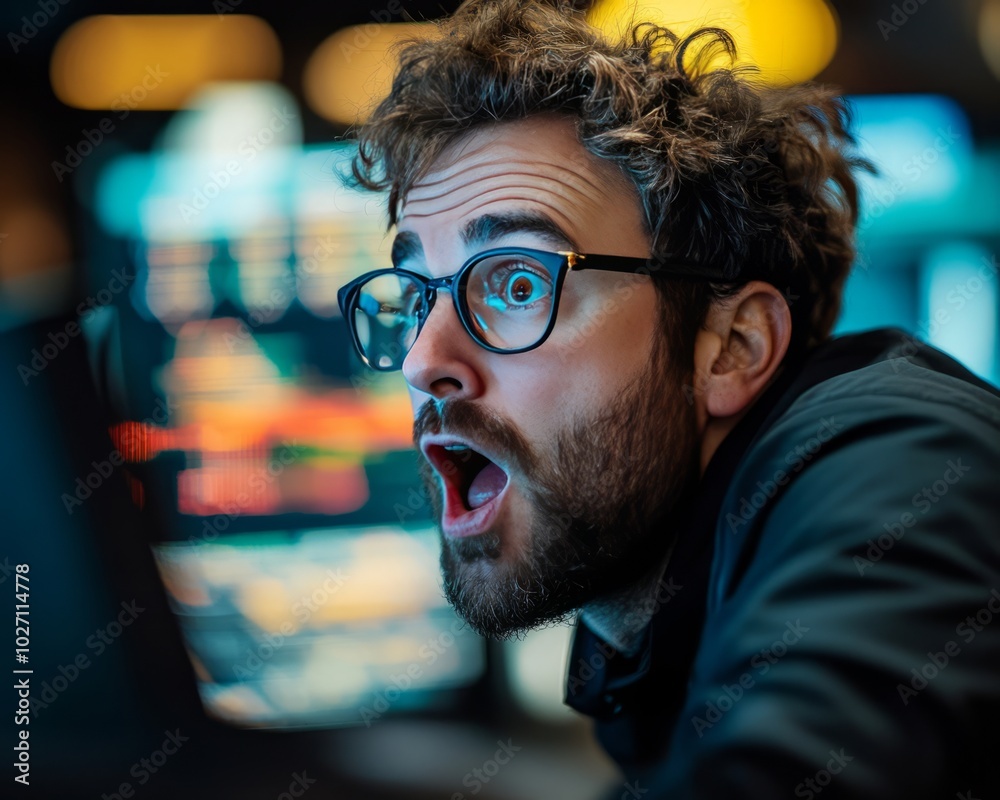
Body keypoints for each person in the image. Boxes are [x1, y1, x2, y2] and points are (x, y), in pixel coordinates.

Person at [336, 0, 1000, 796]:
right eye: (415, 298)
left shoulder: (901, 455)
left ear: (734, 347)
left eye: (516, 281)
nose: (422, 360)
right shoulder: (663, 648)